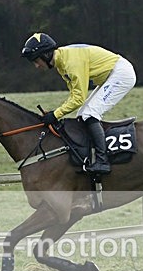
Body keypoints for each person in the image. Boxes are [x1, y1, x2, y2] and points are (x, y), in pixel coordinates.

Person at [21, 32, 136, 175]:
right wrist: (55, 113)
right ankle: (92, 155)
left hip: (121, 74)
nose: (36, 66)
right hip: (112, 74)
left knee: (90, 113)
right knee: (82, 114)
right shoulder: (62, 62)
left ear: (45, 54)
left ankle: (103, 161)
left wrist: (55, 114)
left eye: (36, 60)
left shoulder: (70, 63)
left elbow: (79, 98)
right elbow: (74, 96)